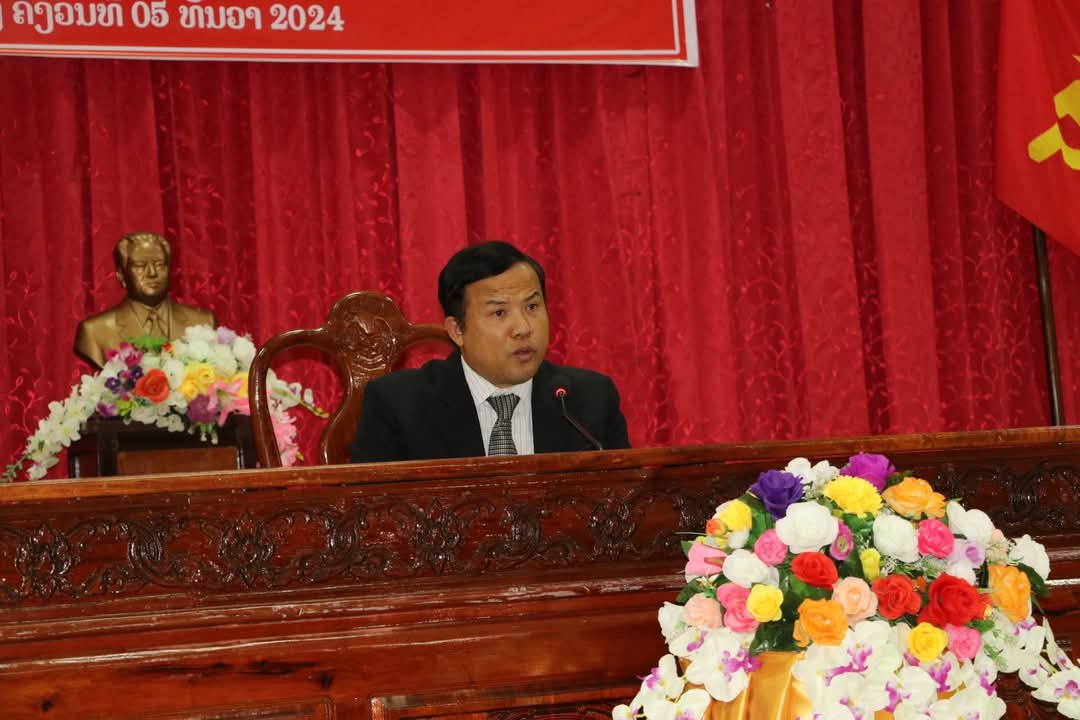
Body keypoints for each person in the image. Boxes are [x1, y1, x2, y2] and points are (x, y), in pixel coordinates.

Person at [349, 241, 629, 462]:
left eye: (532, 307)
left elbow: (625, 503)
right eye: (499, 312)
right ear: (457, 330)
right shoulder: (399, 406)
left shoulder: (588, 401)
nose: (523, 328)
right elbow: (372, 511)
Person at [74, 232, 216, 368]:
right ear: (121, 275)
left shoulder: (204, 322)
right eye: (140, 266)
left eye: (160, 264)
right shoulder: (94, 332)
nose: (152, 273)